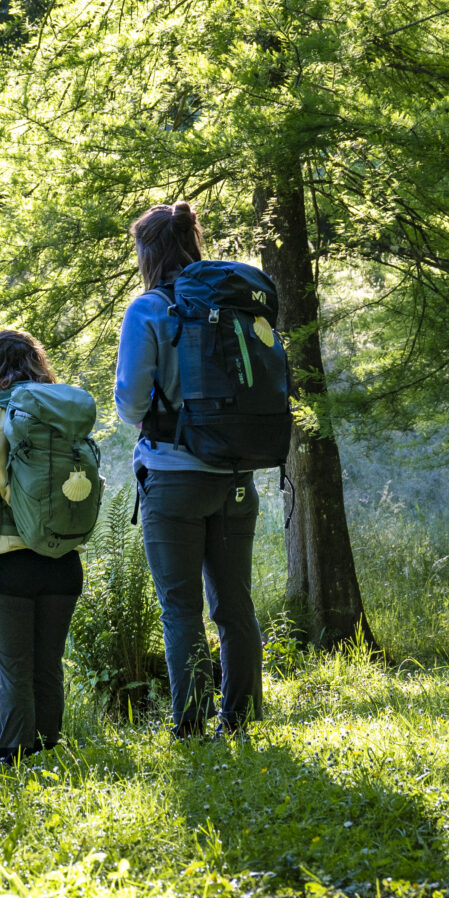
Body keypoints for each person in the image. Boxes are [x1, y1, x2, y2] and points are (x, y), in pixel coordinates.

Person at [115, 202, 263, 738]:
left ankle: (193, 725)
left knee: (181, 608)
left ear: (148, 252)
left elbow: (131, 404)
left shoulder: (149, 309)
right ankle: (241, 720)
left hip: (173, 477)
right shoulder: (228, 302)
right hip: (235, 476)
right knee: (234, 604)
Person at [0, 328, 86, 765]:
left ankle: (12, 761)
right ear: (38, 365)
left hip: (9, 565)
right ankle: (49, 756)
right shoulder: (64, 421)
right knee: (48, 666)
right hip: (63, 562)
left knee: (14, 673)